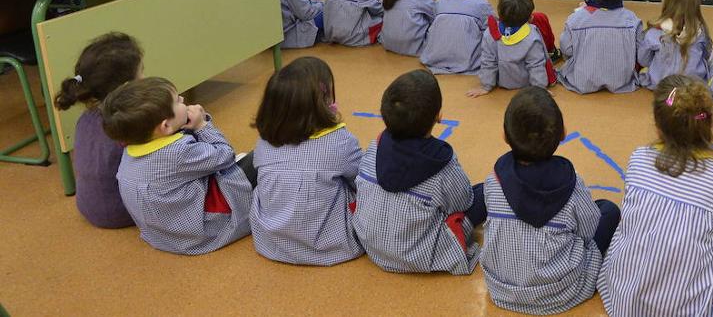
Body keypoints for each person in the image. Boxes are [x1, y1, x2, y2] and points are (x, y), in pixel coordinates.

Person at [599, 76, 713, 317]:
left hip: (625, 298)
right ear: (707, 126)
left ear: (658, 126)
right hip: (688, 308)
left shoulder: (638, 158)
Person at [470, 87, 618, 313]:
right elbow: (588, 232)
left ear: (504, 135)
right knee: (608, 210)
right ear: (563, 133)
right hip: (564, 291)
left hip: (501, 288)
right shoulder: (572, 183)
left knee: (482, 191)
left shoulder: (494, 181)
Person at [101, 77, 251, 255]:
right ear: (165, 126)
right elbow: (226, 155)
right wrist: (203, 125)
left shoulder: (130, 148)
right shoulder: (179, 151)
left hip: (163, 236)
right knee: (259, 159)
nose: (182, 99)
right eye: (177, 100)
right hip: (206, 233)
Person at [353, 70, 479, 274]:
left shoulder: (375, 145)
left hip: (370, 243)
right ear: (439, 116)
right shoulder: (442, 161)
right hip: (420, 254)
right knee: (483, 194)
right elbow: (464, 201)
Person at [250, 57, 363, 266]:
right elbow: (361, 180)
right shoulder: (340, 141)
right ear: (324, 103)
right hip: (331, 246)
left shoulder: (263, 143)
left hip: (271, 242)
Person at [53, 32, 143, 228]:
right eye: (141, 72)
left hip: (87, 206)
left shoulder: (85, 118)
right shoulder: (128, 123)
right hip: (123, 211)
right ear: (128, 86)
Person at [558, 0, 643, 94]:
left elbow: (567, 50)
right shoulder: (632, 19)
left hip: (581, 81)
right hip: (622, 81)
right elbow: (640, 54)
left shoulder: (575, 19)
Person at [467, 0, 554, 97]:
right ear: (529, 18)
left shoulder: (490, 33)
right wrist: (539, 89)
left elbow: (488, 62)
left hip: (502, 82)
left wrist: (486, 86)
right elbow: (536, 65)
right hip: (525, 84)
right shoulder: (532, 36)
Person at [421, 0, 495, 74]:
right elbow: (491, 29)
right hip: (468, 61)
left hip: (434, 58)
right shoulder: (481, 2)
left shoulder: (440, 0)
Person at [637, 0, 713, 89]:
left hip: (662, 85)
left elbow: (643, 60)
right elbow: (707, 57)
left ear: (667, 4)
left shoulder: (654, 33)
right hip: (692, 87)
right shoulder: (701, 32)